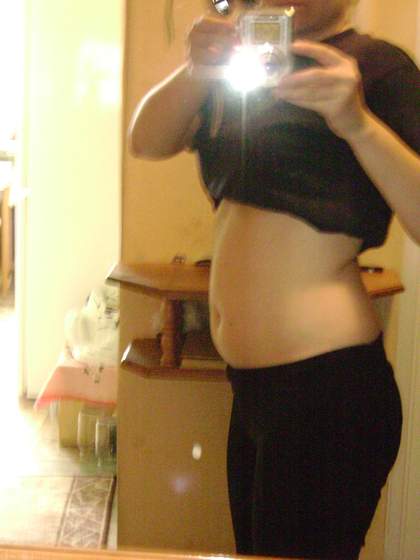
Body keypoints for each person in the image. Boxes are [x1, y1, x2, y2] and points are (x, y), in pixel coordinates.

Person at [129, 1, 420, 558]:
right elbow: (146, 140)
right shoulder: (240, 66)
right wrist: (198, 67)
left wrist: (357, 122)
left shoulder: (378, 68)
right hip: (254, 391)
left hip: (328, 391)